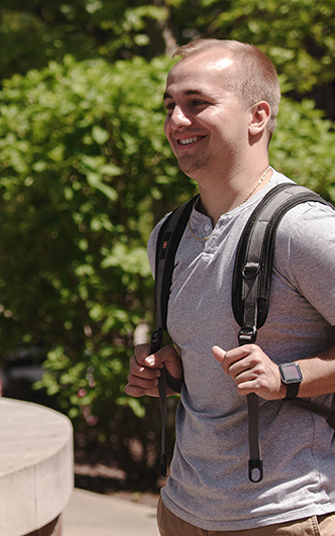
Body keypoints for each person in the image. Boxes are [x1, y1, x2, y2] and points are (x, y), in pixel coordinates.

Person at [125, 38, 335, 535]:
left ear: (257, 116)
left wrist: (287, 376)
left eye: (197, 103)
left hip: (286, 513)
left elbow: (279, 373)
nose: (176, 120)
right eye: (170, 105)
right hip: (182, 509)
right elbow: (207, 361)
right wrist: (170, 367)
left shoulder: (304, 229)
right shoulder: (169, 235)